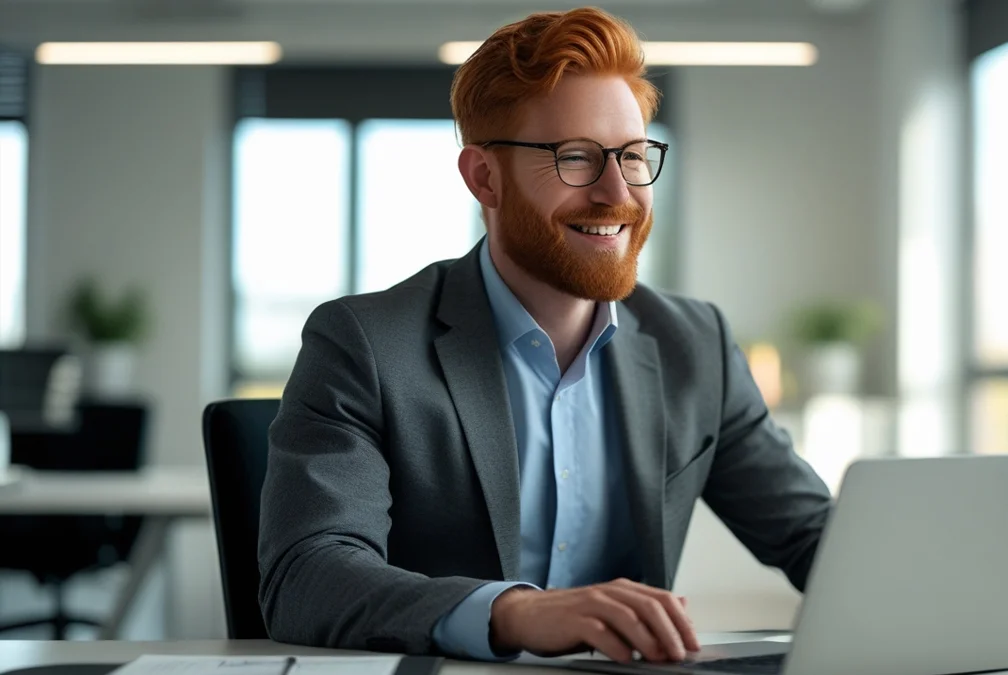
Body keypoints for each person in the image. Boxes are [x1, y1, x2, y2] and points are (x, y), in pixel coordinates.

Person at [256, 5, 832, 665]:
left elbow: (815, 536)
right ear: (483, 178)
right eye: (576, 157)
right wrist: (516, 612)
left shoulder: (693, 342)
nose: (618, 191)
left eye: (635, 155)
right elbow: (307, 574)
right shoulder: (365, 342)